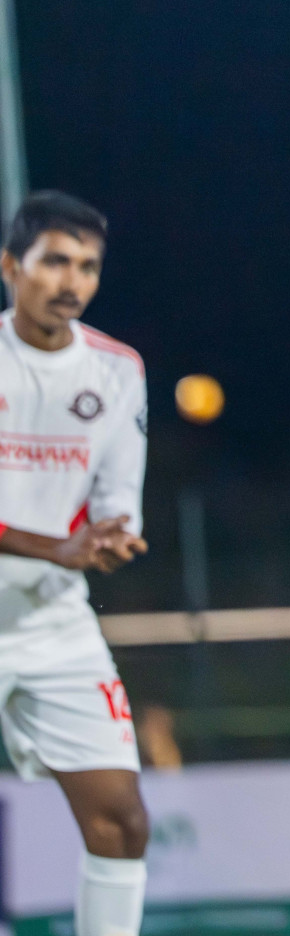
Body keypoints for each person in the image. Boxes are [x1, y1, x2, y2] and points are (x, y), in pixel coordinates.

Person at [0, 191, 151, 936]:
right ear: (10, 267)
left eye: (88, 266)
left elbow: (118, 496)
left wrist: (112, 535)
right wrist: (57, 544)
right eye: (55, 261)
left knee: (121, 823)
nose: (73, 281)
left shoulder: (119, 370)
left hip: (53, 622)